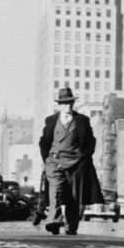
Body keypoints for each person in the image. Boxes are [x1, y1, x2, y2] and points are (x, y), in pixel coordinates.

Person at [38, 86, 102, 236]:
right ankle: (54, 221)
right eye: (64, 103)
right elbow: (44, 142)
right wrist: (47, 159)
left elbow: (90, 142)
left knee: (74, 197)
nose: (67, 106)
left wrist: (83, 158)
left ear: (73, 104)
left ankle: (71, 227)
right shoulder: (51, 121)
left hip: (76, 165)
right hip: (54, 162)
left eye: (70, 103)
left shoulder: (82, 121)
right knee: (55, 192)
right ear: (59, 105)